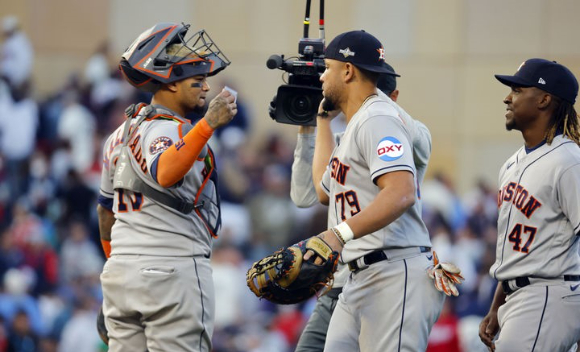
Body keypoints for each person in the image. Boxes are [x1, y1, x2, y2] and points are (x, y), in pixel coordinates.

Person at [298, 29, 445, 352]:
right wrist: (322, 122)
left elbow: (401, 192)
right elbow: (325, 191)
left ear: (348, 71)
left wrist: (338, 234)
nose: (322, 76)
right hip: (359, 276)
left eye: (328, 67)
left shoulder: (378, 116)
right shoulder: (358, 123)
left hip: (394, 272)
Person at [97, 22, 237, 352]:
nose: (206, 88)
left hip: (120, 275)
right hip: (171, 269)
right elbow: (165, 173)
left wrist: (121, 264)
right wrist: (208, 125)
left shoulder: (117, 135)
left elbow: (106, 213)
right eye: (197, 81)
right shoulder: (172, 132)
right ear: (171, 85)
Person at [479, 58, 580, 351]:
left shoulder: (568, 161)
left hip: (549, 293)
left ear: (544, 100)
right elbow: (515, 250)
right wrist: (497, 304)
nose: (507, 98)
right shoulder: (512, 164)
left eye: (518, 89)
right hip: (520, 296)